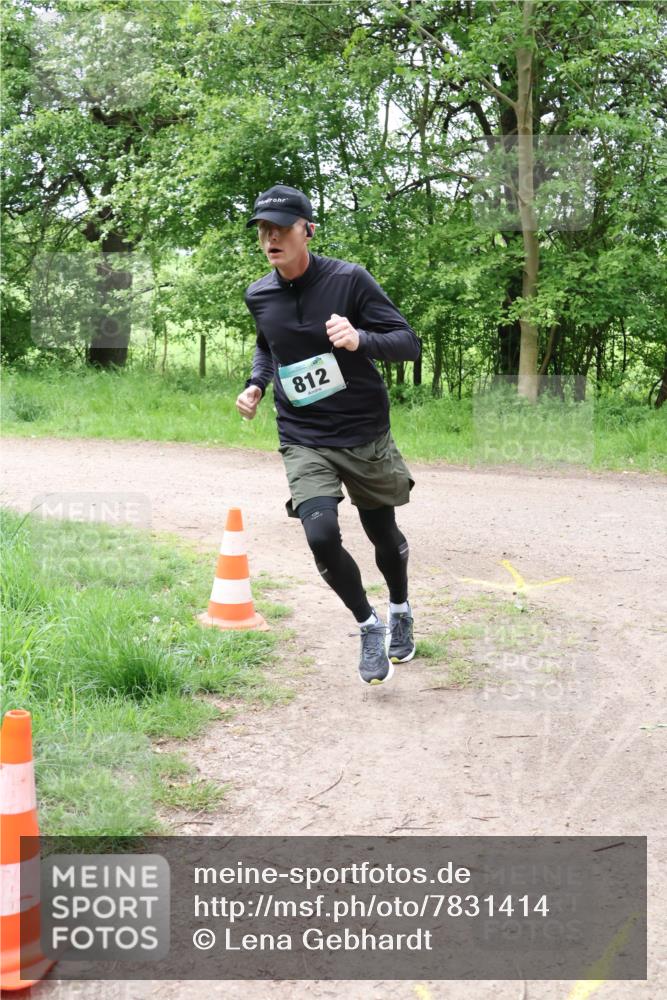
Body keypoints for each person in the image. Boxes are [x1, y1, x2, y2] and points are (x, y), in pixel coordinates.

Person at [236, 184, 421, 686]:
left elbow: (408, 343)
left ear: (307, 230)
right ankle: (368, 623)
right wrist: (257, 384)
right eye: (262, 229)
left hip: (363, 431)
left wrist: (361, 340)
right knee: (320, 535)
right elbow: (269, 346)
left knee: (382, 533)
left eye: (280, 228)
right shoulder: (259, 294)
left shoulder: (349, 281)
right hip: (303, 435)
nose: (270, 238)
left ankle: (400, 608)